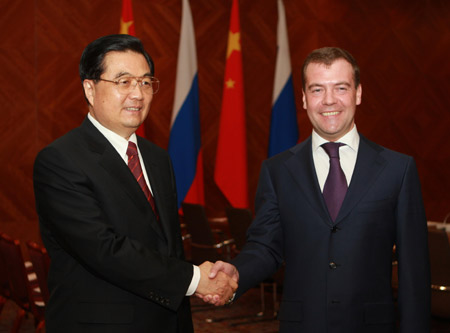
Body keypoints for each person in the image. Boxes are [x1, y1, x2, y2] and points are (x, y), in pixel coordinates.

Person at [205, 47, 430, 332]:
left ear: (358, 93)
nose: (329, 101)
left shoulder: (398, 170)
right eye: (317, 90)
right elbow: (265, 247)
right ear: (303, 98)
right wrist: (237, 271)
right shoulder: (277, 171)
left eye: (341, 88)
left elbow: (414, 270)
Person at [33, 34, 236, 333]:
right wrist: (194, 279)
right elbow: (105, 250)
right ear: (90, 89)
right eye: (123, 81)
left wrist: (201, 281)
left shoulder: (157, 158)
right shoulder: (60, 161)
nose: (138, 94)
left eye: (145, 82)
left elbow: (166, 248)